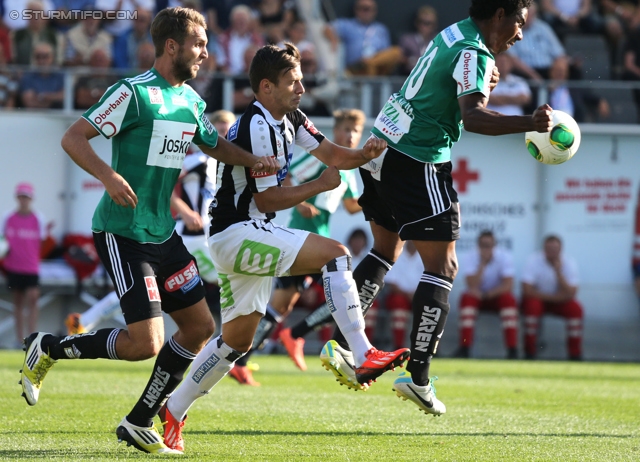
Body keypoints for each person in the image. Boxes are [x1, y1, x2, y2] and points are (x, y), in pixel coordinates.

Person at [19, 7, 278, 456]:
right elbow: (74, 137)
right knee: (145, 343)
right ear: (172, 46)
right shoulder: (133, 93)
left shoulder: (192, 101)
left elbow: (215, 146)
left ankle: (139, 420)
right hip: (123, 232)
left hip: (163, 234)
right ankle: (47, 347)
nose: (205, 52)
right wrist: (108, 176)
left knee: (199, 328)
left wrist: (254, 161)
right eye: (198, 44)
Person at [158, 43, 410, 452]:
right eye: (293, 81)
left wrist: (363, 154)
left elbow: (330, 153)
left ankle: (174, 410)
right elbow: (268, 199)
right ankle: (362, 353)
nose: (302, 86)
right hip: (238, 232)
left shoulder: (289, 114)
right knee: (338, 254)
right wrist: (318, 185)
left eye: (300, 79)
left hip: (242, 232)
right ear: (266, 87)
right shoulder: (256, 126)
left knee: (236, 342)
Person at [320, 0, 553, 418]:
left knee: (384, 250)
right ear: (499, 14)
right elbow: (475, 117)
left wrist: (486, 83)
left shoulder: (454, 33)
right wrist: (529, 123)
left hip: (382, 144)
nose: (519, 33)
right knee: (442, 268)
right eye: (518, 23)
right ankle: (419, 378)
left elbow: (445, 91)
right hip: (416, 159)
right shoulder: (474, 50)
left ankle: (347, 348)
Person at [64, 110, 238, 337]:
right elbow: (163, 184)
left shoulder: (226, 166)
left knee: (146, 287)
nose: (225, 132)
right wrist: (185, 212)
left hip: (205, 237)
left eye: (229, 128)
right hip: (191, 236)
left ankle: (84, 320)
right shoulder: (198, 160)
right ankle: (236, 347)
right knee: (234, 281)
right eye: (221, 127)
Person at [233, 108, 366, 379]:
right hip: (301, 239)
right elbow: (289, 176)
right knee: (346, 290)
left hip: (319, 240)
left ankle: (242, 361)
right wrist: (303, 202)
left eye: (356, 131)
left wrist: (382, 199)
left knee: (280, 307)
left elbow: (352, 206)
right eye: (346, 130)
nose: (351, 136)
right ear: (335, 132)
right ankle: (295, 335)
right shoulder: (321, 162)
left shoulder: (349, 172)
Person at [454, 230, 519, 359]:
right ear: (478, 245)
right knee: (467, 301)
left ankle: (512, 349)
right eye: (483, 245)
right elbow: (471, 284)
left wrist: (488, 295)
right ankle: (465, 347)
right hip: (477, 295)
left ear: (494, 245)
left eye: (489, 245)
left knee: (509, 301)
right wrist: (482, 264)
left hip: (494, 295)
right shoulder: (471, 257)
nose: (486, 248)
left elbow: (508, 285)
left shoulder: (504, 256)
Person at [1, 183, 49, 348]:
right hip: (13, 267)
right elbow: (3, 241)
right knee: (18, 302)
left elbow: (42, 243)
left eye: (26, 197)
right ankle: (19, 339)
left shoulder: (38, 219)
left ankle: (32, 338)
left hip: (31, 267)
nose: (24, 200)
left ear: (31, 199)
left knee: (33, 299)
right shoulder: (8, 218)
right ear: (17, 198)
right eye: (21, 197)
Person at [521, 235, 583, 360]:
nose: (551, 251)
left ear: (561, 249)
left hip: (556, 301)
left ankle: (575, 354)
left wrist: (558, 272)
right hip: (540, 300)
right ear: (544, 248)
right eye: (548, 248)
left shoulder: (569, 262)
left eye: (555, 248)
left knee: (575, 309)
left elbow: (572, 292)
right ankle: (529, 352)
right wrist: (554, 298)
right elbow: (526, 290)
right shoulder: (534, 260)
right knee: (532, 307)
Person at [326, 0, 403, 76]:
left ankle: (370, 63)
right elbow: (328, 28)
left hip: (377, 68)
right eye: (363, 8)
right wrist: (333, 40)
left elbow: (386, 53)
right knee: (365, 66)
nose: (366, 12)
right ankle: (368, 65)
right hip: (355, 69)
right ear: (356, 9)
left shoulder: (381, 29)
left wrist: (371, 60)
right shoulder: (347, 25)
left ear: (375, 11)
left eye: (369, 9)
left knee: (396, 52)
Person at [19, 42, 64, 109]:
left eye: (45, 56)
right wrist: (52, 99)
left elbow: (66, 96)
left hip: (58, 115)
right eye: (38, 57)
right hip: (34, 115)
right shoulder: (28, 76)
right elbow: (29, 102)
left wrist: (43, 97)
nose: (42, 60)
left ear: (52, 57)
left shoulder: (61, 75)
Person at [399, 5, 439, 75]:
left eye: (428, 23)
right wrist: (410, 60)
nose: (424, 26)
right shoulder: (407, 40)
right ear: (416, 23)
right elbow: (398, 57)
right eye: (421, 22)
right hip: (409, 76)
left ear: (434, 25)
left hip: (432, 76)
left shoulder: (439, 41)